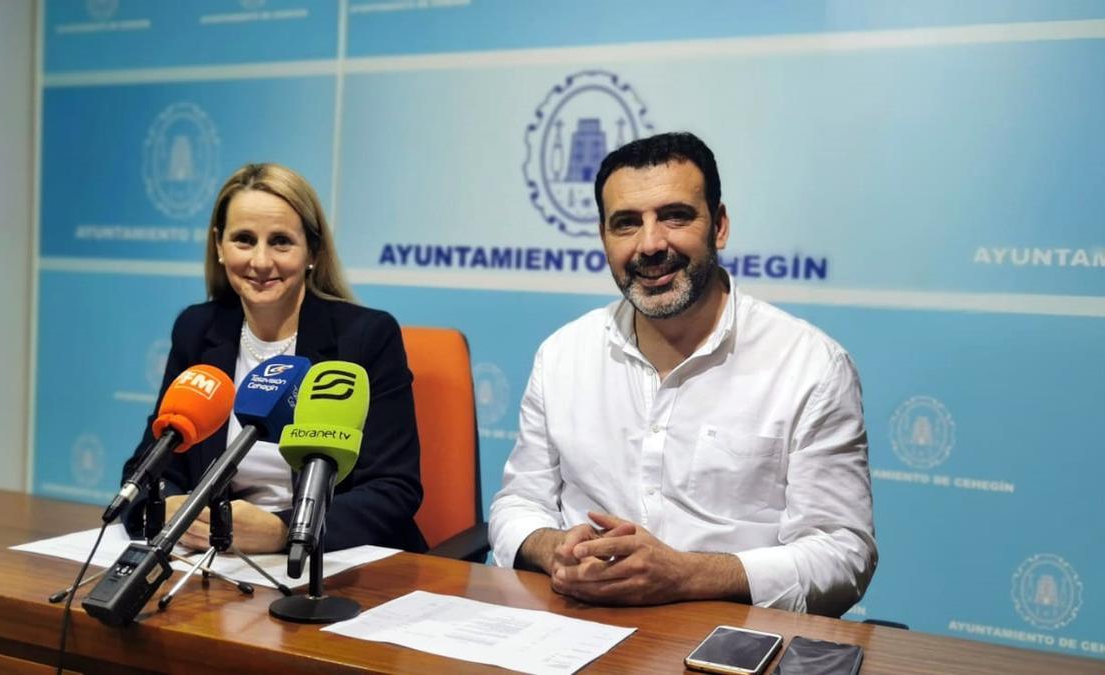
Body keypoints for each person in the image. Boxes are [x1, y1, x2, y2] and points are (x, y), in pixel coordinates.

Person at [488, 132, 875, 617]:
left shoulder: (811, 366)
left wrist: (685, 574)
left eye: (675, 216)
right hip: (578, 628)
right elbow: (516, 505)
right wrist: (556, 548)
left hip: (731, 636)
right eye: (626, 224)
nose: (650, 245)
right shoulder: (562, 354)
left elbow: (842, 555)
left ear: (720, 226)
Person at [121, 163, 426, 554]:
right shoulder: (197, 330)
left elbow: (392, 490)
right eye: (244, 240)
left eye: (281, 241)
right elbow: (149, 467)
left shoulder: (365, 337)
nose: (261, 262)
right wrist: (168, 508)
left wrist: (284, 532)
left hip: (330, 565)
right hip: (220, 564)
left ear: (312, 250)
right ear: (219, 245)